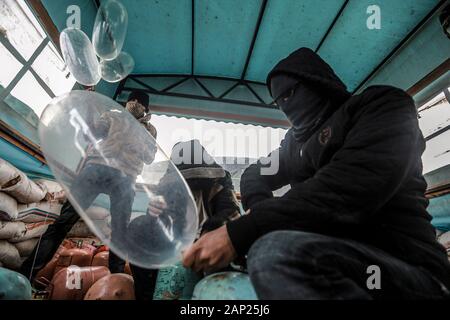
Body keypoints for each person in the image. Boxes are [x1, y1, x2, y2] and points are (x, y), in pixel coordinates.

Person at [181, 47, 450, 299]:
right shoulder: (294, 144)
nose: (285, 106)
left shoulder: (380, 107)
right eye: (278, 102)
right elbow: (254, 174)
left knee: (276, 252)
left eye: (289, 95)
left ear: (316, 81)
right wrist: (257, 212)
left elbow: (346, 188)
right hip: (333, 256)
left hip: (408, 266)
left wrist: (246, 229)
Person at [20, 90, 157, 286]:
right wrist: (89, 111)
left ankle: (113, 285)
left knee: (119, 235)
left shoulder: (149, 130)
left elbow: (150, 158)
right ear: (127, 103)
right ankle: (26, 274)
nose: (134, 104)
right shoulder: (112, 115)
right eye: (131, 101)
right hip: (96, 169)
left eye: (138, 102)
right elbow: (92, 134)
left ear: (145, 108)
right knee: (64, 223)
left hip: (125, 178)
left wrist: (137, 139)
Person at [129, 139, 241, 299]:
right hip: (175, 244)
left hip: (210, 244)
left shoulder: (219, 184)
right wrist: (153, 212)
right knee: (138, 227)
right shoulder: (168, 186)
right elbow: (157, 220)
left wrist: (208, 233)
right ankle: (146, 294)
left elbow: (231, 213)